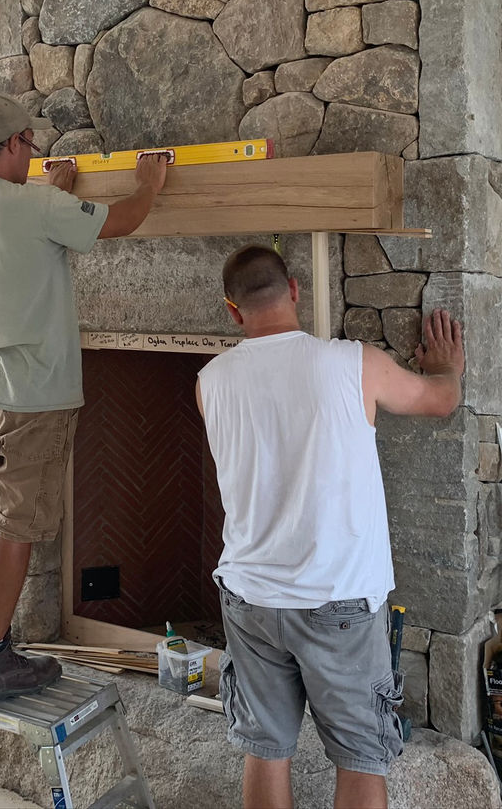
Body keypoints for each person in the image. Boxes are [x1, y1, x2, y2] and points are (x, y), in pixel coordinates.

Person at [0, 91, 167, 705]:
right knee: (15, 528)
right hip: (37, 400)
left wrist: (52, 194)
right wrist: (148, 184)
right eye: (31, 144)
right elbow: (121, 221)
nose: (34, 153)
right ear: (15, 142)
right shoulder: (41, 207)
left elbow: (11, 231)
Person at [196, 244, 464, 809]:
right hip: (338, 598)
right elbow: (439, 401)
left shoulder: (209, 382)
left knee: (266, 751)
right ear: (295, 290)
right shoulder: (354, 364)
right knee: (361, 758)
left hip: (251, 600)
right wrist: (446, 368)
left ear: (232, 310)